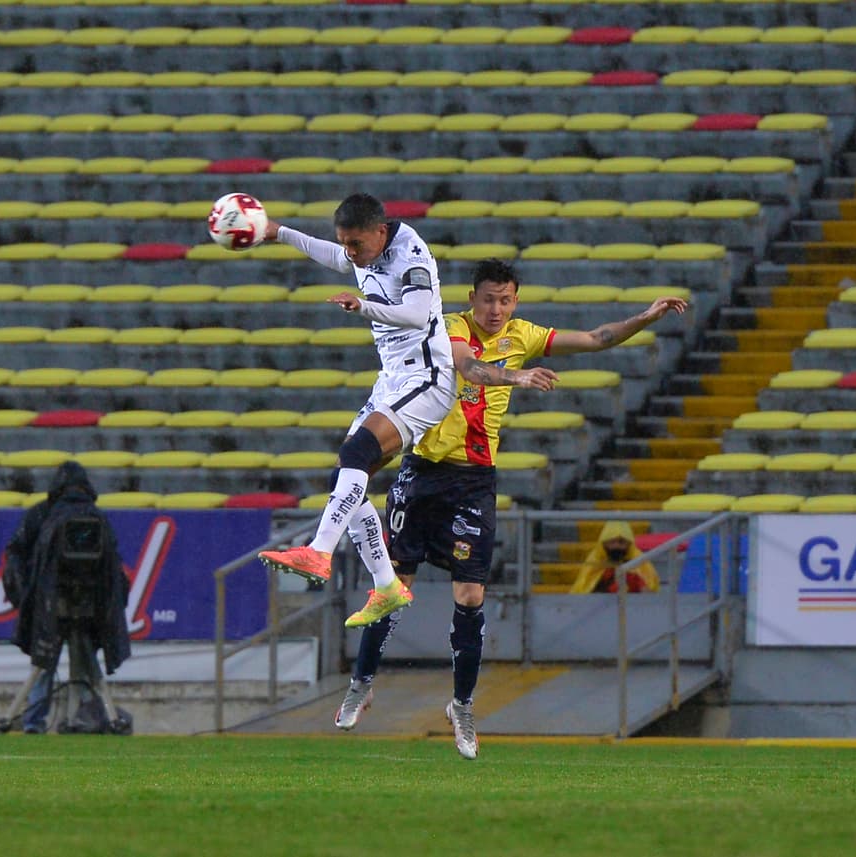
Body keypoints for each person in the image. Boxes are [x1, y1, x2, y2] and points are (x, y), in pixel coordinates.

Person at [335, 258, 687, 759]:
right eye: (488, 299)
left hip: (474, 480)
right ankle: (362, 683)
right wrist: (518, 378)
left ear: (515, 301)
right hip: (423, 470)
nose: (496, 310)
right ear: (472, 299)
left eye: (504, 300)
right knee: (394, 587)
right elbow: (468, 368)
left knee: (471, 595)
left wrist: (646, 317)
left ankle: (461, 705)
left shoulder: (524, 334)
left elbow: (596, 339)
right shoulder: (450, 326)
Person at [256, 192, 461, 629]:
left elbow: (417, 314)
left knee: (355, 455)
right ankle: (386, 585)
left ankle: (318, 552)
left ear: (381, 232)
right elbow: (336, 258)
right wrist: (280, 233)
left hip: (427, 377)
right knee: (346, 477)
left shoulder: (409, 252)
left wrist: (362, 305)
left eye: (356, 244)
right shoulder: (362, 251)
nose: (350, 253)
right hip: (392, 378)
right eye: (344, 242)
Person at [1, 461, 133, 735]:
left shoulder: (41, 514)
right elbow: (114, 569)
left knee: (44, 662)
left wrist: (27, 597)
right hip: (86, 604)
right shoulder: (97, 518)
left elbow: (15, 555)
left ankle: (35, 722)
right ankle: (89, 715)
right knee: (84, 663)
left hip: (51, 605)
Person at [569, 520, 661, 594]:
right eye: (612, 542)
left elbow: (649, 594)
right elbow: (582, 590)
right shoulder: (595, 560)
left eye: (621, 542)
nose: (616, 546)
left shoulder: (639, 561)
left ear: (629, 544)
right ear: (604, 543)